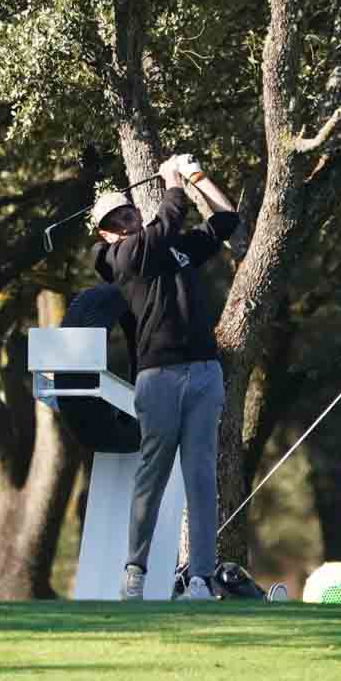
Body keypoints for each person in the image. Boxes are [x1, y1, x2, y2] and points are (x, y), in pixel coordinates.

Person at [91, 153, 239, 601]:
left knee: (200, 477)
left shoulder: (171, 245)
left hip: (203, 372)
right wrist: (174, 184)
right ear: (105, 231)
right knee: (152, 477)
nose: (127, 218)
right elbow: (165, 223)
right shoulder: (117, 257)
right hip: (157, 377)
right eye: (117, 217)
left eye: (129, 210)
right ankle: (134, 570)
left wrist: (197, 176)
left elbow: (227, 219)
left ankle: (199, 579)